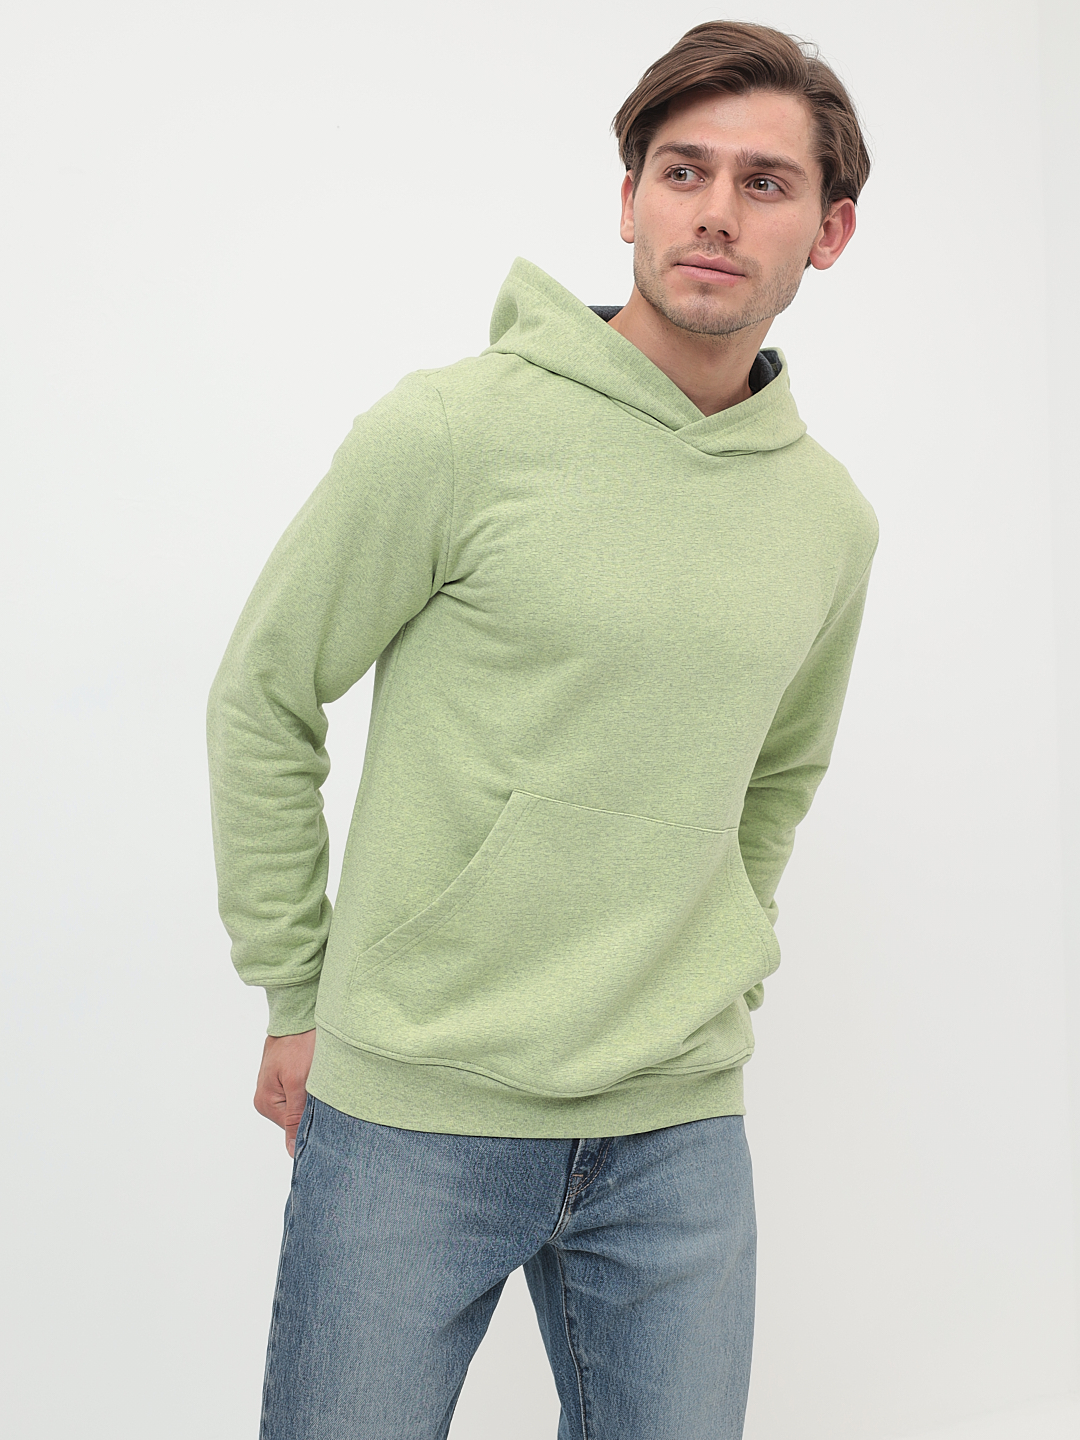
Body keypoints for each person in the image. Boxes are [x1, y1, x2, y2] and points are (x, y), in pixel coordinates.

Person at [206, 18, 877, 1440]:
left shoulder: (828, 520)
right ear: (629, 201)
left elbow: (778, 776)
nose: (715, 210)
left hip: (678, 1125)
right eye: (682, 171)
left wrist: (712, 954)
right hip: (415, 1107)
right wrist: (293, 988)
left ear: (828, 231)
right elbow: (264, 693)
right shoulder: (452, 433)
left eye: (765, 182)